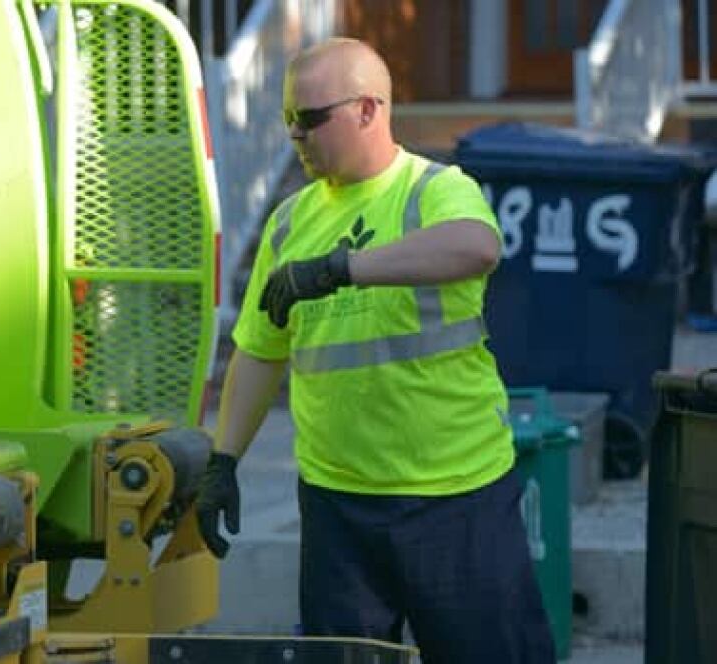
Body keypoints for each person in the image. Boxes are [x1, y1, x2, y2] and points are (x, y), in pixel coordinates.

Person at [195, 38, 555, 663]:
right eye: (287, 122)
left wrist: (344, 268)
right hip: (339, 508)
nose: (294, 137)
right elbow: (258, 352)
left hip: (455, 497)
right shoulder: (286, 222)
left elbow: (477, 247)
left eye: (309, 119)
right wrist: (223, 461)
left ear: (368, 110)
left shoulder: (433, 190)